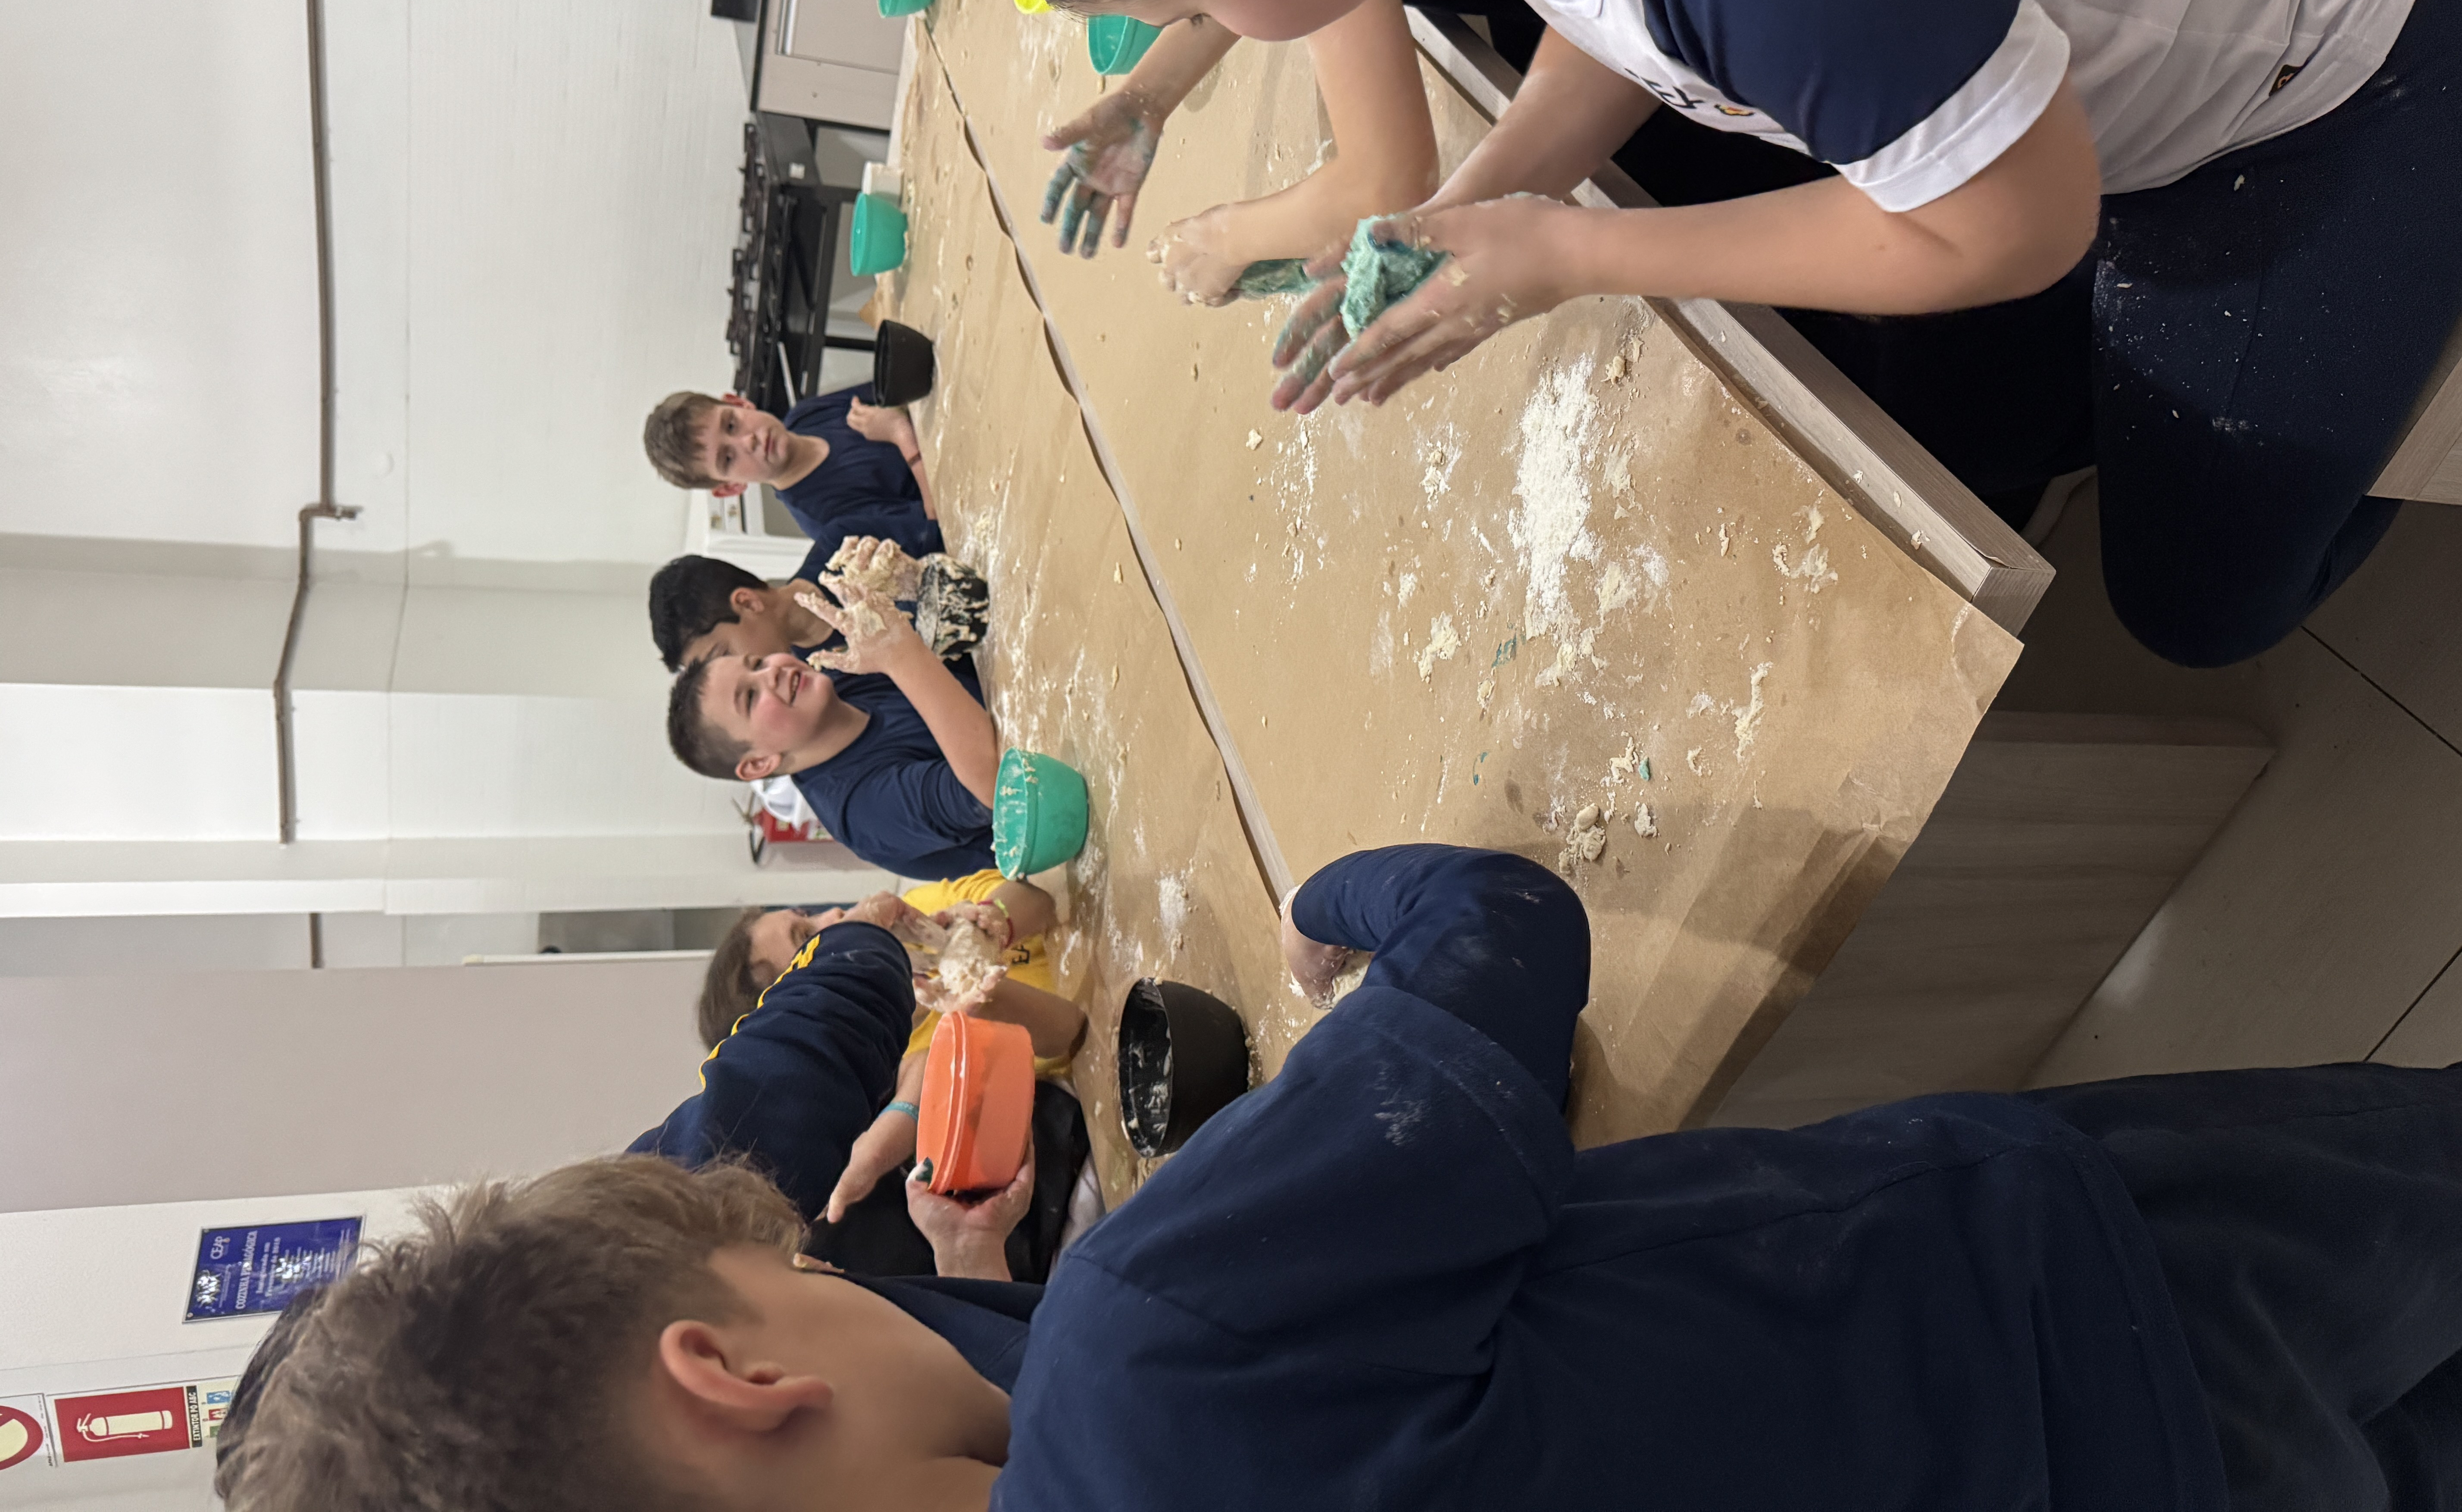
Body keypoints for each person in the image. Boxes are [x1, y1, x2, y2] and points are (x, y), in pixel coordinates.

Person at [898, 0, 2462, 672]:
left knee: (2192, 611)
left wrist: (1574, 255)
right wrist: (1487, 201)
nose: (1208, 36)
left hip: (2351, 48)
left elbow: (2018, 228)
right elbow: (1629, 11)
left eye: (1187, 6)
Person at [214, 841, 2462, 1512]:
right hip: (2098, 1301)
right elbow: (1503, 946)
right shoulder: (1159, 1343)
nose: (834, 1262)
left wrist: (999, 1271)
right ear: (723, 1370)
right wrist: (1345, 908)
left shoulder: (1110, 1366)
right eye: (787, 1267)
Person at [639, 891, 1092, 1288]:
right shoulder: (854, 1083)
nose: (833, 916)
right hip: (1051, 1239)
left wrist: (980, 936)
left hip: (1065, 1146)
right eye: (806, 938)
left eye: (807, 919)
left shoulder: (886, 1012)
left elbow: (1061, 1009)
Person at [665, 575, 997, 881]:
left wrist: (901, 585)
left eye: (758, 664)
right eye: (751, 697)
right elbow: (997, 786)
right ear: (759, 763)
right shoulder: (862, 812)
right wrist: (900, 654)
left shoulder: (841, 677)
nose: (772, 673)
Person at [642, 386, 941, 564]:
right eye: (728, 458)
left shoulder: (806, 415)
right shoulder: (827, 522)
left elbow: (903, 392)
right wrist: (902, 437)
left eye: (732, 425)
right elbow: (938, 533)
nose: (748, 441)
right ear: (731, 487)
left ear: (739, 403)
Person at [647, 550, 987, 676]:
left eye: (724, 655)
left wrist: (916, 580)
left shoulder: (848, 548)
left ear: (748, 603)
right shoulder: (832, 679)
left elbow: (971, 539)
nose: (736, 671)